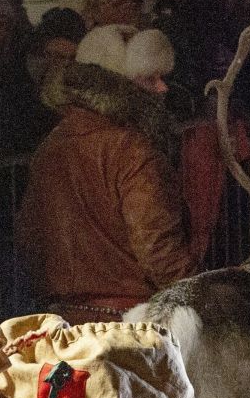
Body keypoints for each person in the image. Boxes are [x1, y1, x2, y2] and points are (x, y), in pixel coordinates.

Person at [17, 26, 193, 321]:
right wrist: (202, 302)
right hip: (132, 319)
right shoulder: (131, 148)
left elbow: (31, 242)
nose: (163, 88)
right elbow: (158, 249)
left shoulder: (50, 146)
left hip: (65, 319)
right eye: (149, 78)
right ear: (120, 84)